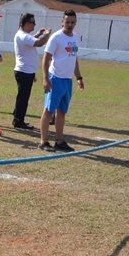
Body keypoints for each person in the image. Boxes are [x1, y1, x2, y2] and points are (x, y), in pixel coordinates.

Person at [39, 9, 85, 153]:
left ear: (75, 22)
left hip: (67, 80)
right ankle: (43, 142)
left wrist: (79, 77)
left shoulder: (76, 37)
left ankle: (59, 141)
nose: (70, 24)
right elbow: (46, 59)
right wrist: (46, 78)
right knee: (48, 110)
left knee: (62, 112)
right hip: (55, 78)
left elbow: (74, 58)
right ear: (62, 21)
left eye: (72, 22)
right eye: (67, 22)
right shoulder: (56, 37)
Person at [12, 13, 51, 130]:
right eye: (32, 22)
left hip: (25, 71)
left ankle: (17, 118)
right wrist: (47, 35)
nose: (35, 24)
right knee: (23, 98)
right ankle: (18, 120)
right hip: (24, 71)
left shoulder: (23, 35)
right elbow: (39, 43)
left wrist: (38, 34)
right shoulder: (23, 36)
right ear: (26, 23)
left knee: (22, 97)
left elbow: (31, 40)